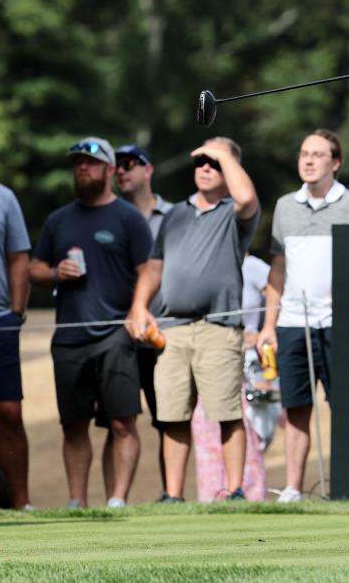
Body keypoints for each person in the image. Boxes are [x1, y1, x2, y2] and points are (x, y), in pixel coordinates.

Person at [126, 136, 260, 503]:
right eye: (201, 160)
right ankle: (172, 495)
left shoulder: (236, 213)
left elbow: (247, 198)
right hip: (172, 329)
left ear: (231, 168)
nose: (205, 167)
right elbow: (154, 268)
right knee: (172, 415)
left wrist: (223, 152)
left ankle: (234, 492)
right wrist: (139, 306)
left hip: (218, 327)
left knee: (227, 413)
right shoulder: (176, 214)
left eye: (215, 163)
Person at [257, 129, 349, 503]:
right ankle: (293, 488)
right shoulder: (284, 206)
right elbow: (277, 268)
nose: (308, 161)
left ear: (336, 163)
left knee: (343, 406)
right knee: (295, 408)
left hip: (338, 322)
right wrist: (268, 324)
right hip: (293, 322)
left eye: (318, 155)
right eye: (303, 154)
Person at [29, 137, 152, 508]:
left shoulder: (128, 218)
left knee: (122, 422)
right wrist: (54, 272)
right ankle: (76, 501)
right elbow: (34, 269)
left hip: (115, 334)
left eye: (91, 163)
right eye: (78, 163)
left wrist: (138, 309)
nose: (82, 168)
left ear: (111, 170)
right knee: (74, 424)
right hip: (69, 337)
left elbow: (148, 269)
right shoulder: (58, 220)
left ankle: (117, 500)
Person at [111, 143, 171, 499]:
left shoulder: (175, 215)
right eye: (117, 166)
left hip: (162, 332)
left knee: (168, 418)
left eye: (130, 164)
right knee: (117, 420)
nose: (122, 171)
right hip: (118, 337)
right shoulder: (108, 216)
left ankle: (171, 493)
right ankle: (115, 502)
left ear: (148, 170)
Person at [191, 253, 270, 502]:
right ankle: (213, 497)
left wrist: (260, 331)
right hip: (208, 358)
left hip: (248, 364)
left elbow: (281, 302)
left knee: (245, 430)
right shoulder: (203, 263)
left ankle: (247, 495)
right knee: (207, 434)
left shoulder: (255, 267)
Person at [0, 181, 32, 510]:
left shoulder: (3, 197)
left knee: (8, 411)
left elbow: (19, 257)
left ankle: (21, 503)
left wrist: (15, 313)